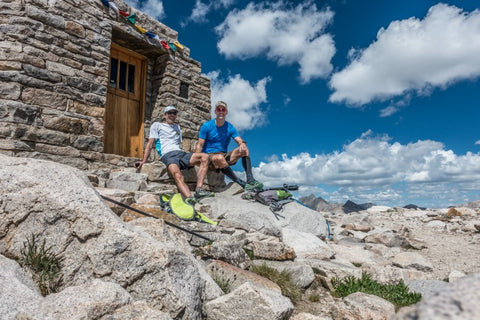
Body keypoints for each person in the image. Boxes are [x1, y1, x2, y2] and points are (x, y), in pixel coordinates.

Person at [135, 105, 213, 204]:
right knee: (177, 175)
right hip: (168, 155)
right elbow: (150, 144)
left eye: (174, 113)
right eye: (170, 113)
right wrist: (144, 161)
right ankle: (189, 198)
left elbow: (178, 144)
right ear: (164, 115)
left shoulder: (177, 127)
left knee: (205, 157)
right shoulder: (157, 125)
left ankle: (199, 190)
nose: (172, 115)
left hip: (181, 153)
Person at [195, 100, 263, 191]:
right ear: (215, 111)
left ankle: (250, 179)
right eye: (219, 109)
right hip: (210, 156)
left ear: (226, 112)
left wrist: (242, 143)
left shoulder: (229, 127)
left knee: (245, 149)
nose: (221, 112)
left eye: (223, 110)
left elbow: (239, 140)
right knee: (219, 157)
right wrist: (197, 159)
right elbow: (200, 144)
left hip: (224, 155)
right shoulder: (207, 126)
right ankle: (239, 182)